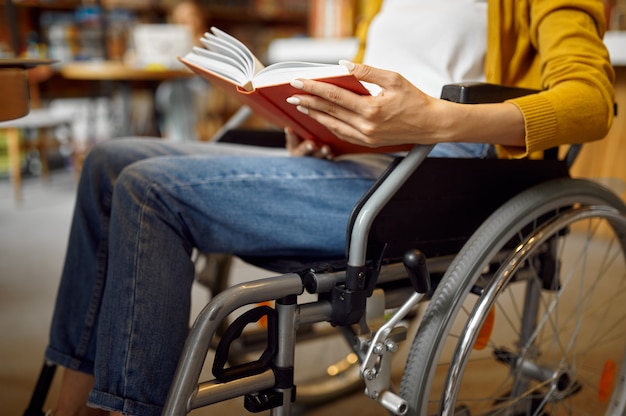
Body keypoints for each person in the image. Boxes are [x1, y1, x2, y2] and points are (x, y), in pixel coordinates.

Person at [44, 0, 614, 415]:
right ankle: (69, 405)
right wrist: (316, 121)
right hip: (358, 158)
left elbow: (591, 103)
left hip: (439, 171)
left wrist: (438, 120)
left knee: (150, 190)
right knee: (109, 161)